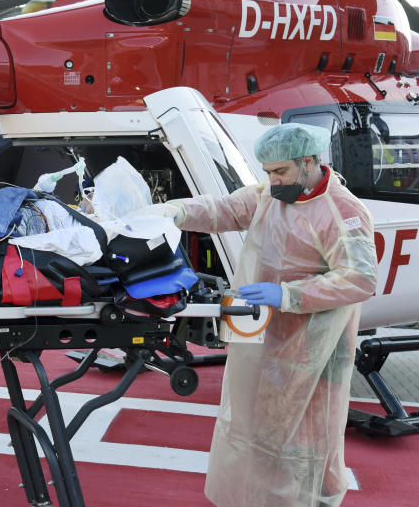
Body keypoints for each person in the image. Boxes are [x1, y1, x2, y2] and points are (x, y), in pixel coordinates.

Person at [155, 122, 377, 507]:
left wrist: (288, 293)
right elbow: (224, 209)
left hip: (315, 345)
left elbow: (359, 278)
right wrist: (173, 212)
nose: (273, 181)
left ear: (308, 162)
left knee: (309, 435)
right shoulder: (271, 195)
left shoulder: (342, 211)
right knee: (258, 424)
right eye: (268, 173)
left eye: (281, 172)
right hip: (265, 331)